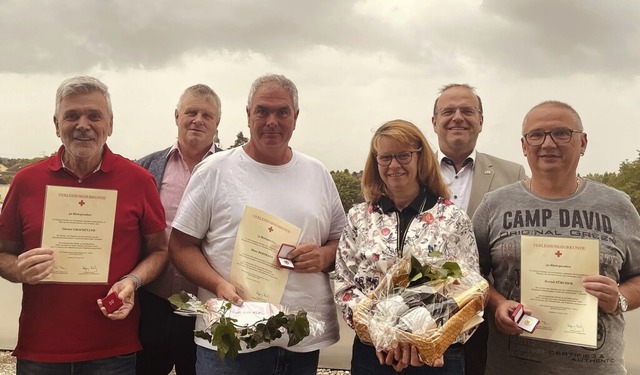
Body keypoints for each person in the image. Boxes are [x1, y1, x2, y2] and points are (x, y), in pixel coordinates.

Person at [169, 73, 346, 375]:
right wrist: (217, 284)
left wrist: (323, 256)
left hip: (300, 339)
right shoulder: (214, 170)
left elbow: (341, 242)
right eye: (262, 111)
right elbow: (181, 245)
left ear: (296, 116)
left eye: (282, 112)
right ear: (248, 114)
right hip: (229, 338)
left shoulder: (317, 173)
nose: (271, 121)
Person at [0, 76, 168, 374]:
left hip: (113, 347)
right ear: (56, 124)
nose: (83, 125)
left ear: (110, 124)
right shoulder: (26, 181)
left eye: (94, 115)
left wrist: (133, 281)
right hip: (41, 348)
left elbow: (159, 250)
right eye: (72, 115)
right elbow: (2, 254)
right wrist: (17, 269)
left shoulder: (140, 181)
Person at [473, 101, 640, 374]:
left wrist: (618, 298)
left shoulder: (618, 206)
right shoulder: (494, 205)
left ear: (583, 142)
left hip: (596, 368)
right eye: (536, 135)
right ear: (524, 146)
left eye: (562, 133)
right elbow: (471, 275)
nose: (548, 144)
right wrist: (498, 304)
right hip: (513, 367)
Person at [334, 119, 484, 374]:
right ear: (376, 161)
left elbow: (469, 291)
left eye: (403, 156)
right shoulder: (359, 217)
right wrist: (384, 334)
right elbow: (344, 285)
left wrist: (420, 336)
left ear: (420, 158)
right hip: (374, 355)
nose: (394, 165)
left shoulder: (452, 218)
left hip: (435, 357)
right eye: (386, 157)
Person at [431, 83, 526, 375]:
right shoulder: (411, 170)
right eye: (448, 111)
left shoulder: (513, 175)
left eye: (468, 111)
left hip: (486, 314)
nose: (458, 117)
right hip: (420, 312)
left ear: (481, 121)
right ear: (434, 122)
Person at [136, 84, 222, 375]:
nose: (198, 119)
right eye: (191, 112)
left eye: (207, 115)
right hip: (151, 303)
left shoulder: (231, 171)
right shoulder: (146, 168)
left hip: (204, 307)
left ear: (217, 123)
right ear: (177, 116)